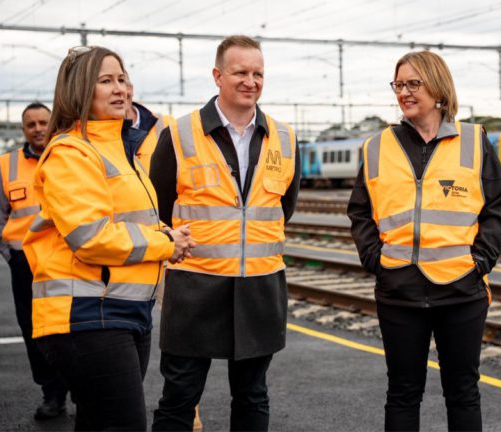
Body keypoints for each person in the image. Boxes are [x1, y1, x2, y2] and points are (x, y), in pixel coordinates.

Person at [21, 46, 195, 431]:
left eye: (122, 79)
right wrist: (166, 245)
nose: (120, 89)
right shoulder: (71, 151)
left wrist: (165, 234)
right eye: (105, 81)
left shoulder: (119, 151)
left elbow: (124, 221)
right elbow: (91, 237)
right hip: (86, 315)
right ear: (79, 90)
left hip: (124, 311)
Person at [347, 51, 501, 431]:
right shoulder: (377, 147)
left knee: (463, 391)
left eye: (413, 84)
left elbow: (497, 206)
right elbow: (360, 212)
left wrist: (480, 262)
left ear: (438, 88)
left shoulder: (474, 141)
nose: (404, 92)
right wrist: (375, 260)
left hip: (461, 290)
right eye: (399, 84)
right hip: (399, 289)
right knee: (403, 392)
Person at [150, 35, 300, 431]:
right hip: (195, 286)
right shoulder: (180, 134)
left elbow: (284, 208)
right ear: (218, 76)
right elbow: (158, 210)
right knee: (180, 395)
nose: (251, 81)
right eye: (240, 72)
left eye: (258, 73)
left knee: (252, 396)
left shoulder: (284, 139)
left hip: (259, 286)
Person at [0, 102, 69, 420]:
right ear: (24, 129)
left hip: (70, 259)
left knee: (76, 327)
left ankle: (82, 390)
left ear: (53, 123)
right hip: (25, 263)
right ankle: (52, 394)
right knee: (34, 331)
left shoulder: (70, 157)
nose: (39, 129)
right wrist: (10, 253)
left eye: (44, 122)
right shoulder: (5, 165)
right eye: (31, 125)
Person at [124, 77, 174, 174]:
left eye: (121, 81)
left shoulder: (166, 125)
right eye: (106, 82)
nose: (118, 90)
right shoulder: (89, 136)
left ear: (130, 88)